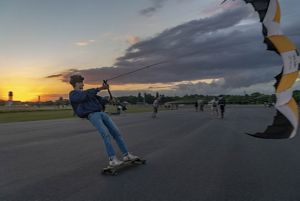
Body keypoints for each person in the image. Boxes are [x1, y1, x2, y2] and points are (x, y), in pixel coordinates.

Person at [69, 74, 138, 167]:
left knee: (117, 133)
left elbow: (100, 100)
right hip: (93, 116)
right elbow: (82, 97)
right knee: (105, 135)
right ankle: (112, 159)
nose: (83, 84)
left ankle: (126, 155)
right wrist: (100, 88)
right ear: (77, 83)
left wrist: (109, 100)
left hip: (102, 113)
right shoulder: (73, 94)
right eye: (81, 82)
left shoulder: (88, 94)